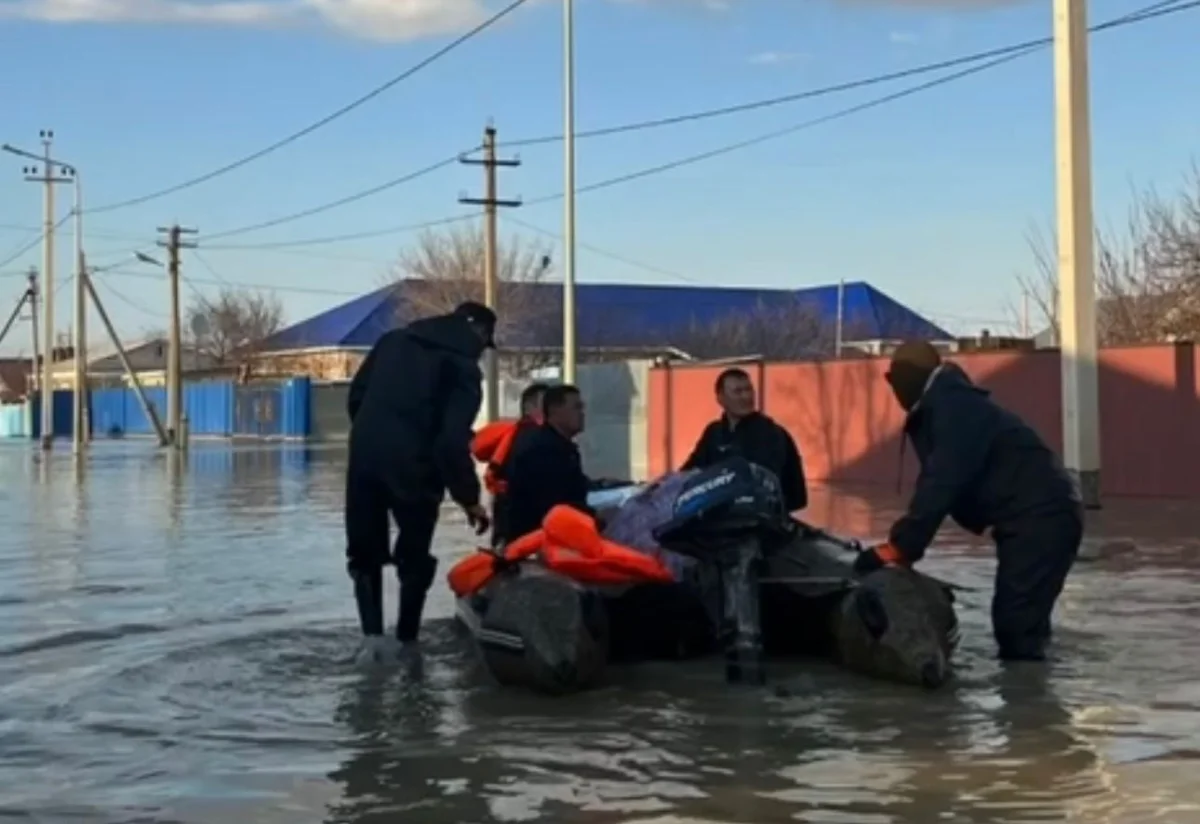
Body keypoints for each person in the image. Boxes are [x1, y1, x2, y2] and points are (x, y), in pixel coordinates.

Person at [854, 340, 1083, 662]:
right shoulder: (947, 403)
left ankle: (1028, 701)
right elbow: (936, 481)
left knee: (1016, 626)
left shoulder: (954, 408)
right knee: (1021, 621)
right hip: (1038, 514)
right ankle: (1034, 679)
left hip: (1042, 516)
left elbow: (942, 482)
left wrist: (902, 547)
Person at [344, 301, 495, 651]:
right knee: (414, 554)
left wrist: (374, 438)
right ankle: (408, 644)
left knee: (364, 552)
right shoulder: (462, 369)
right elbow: (450, 442)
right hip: (416, 463)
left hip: (365, 455)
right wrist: (469, 499)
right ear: (481, 333)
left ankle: (372, 641)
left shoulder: (392, 341)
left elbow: (357, 397)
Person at [681, 367, 808, 513]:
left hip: (758, 518)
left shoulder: (770, 433)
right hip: (720, 514)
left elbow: (765, 482)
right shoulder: (714, 432)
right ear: (720, 398)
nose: (745, 397)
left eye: (748, 390)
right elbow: (690, 470)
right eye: (737, 391)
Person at [501, 383, 595, 543]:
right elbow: (554, 504)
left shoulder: (559, 446)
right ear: (555, 411)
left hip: (543, 538)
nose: (582, 414)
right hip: (536, 543)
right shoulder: (543, 450)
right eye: (576, 407)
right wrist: (596, 518)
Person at [475, 381, 550, 547]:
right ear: (529, 408)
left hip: (505, 510)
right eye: (548, 405)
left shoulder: (521, 435)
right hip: (519, 517)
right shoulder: (532, 439)